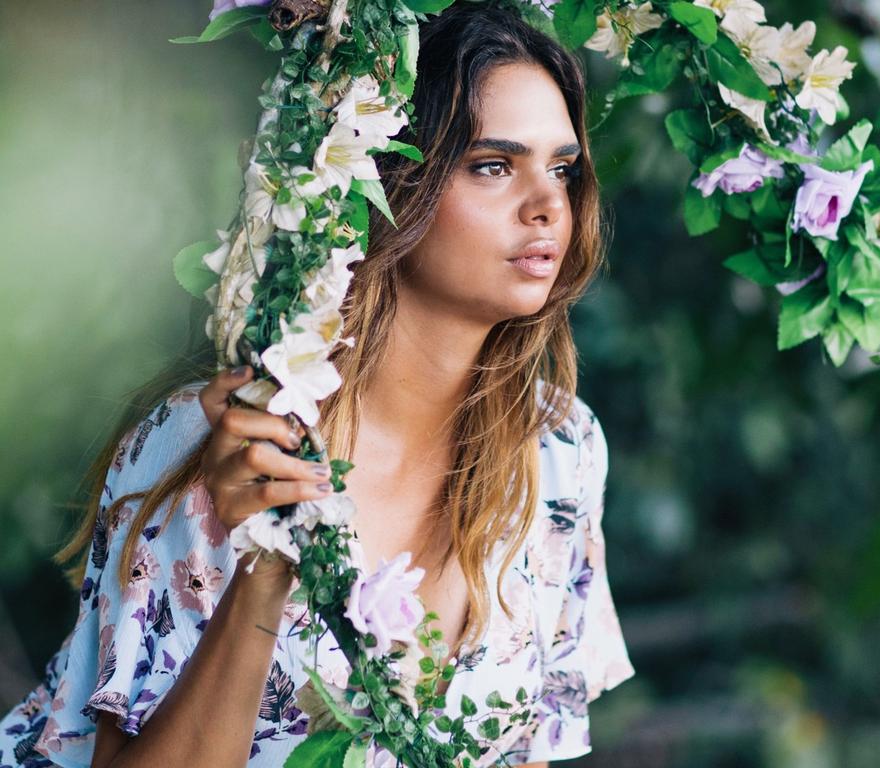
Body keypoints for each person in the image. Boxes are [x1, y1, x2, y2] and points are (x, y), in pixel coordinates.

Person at [0, 2, 634, 766]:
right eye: (493, 166)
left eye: (561, 168)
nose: (548, 206)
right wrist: (268, 564)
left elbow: (531, 753)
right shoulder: (227, 435)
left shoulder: (561, 446)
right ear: (388, 182)